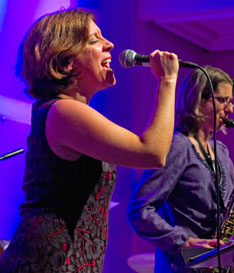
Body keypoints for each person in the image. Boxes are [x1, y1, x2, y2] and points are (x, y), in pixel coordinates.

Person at [0, 8, 179, 273]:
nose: (110, 45)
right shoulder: (62, 111)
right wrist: (168, 80)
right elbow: (152, 153)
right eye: (95, 40)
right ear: (66, 60)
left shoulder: (67, 111)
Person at [127, 66, 234, 273]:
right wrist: (185, 241)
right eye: (223, 100)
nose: (230, 109)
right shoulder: (177, 146)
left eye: (231, 101)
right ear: (197, 101)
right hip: (183, 266)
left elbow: (233, 204)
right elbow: (139, 211)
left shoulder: (220, 151)